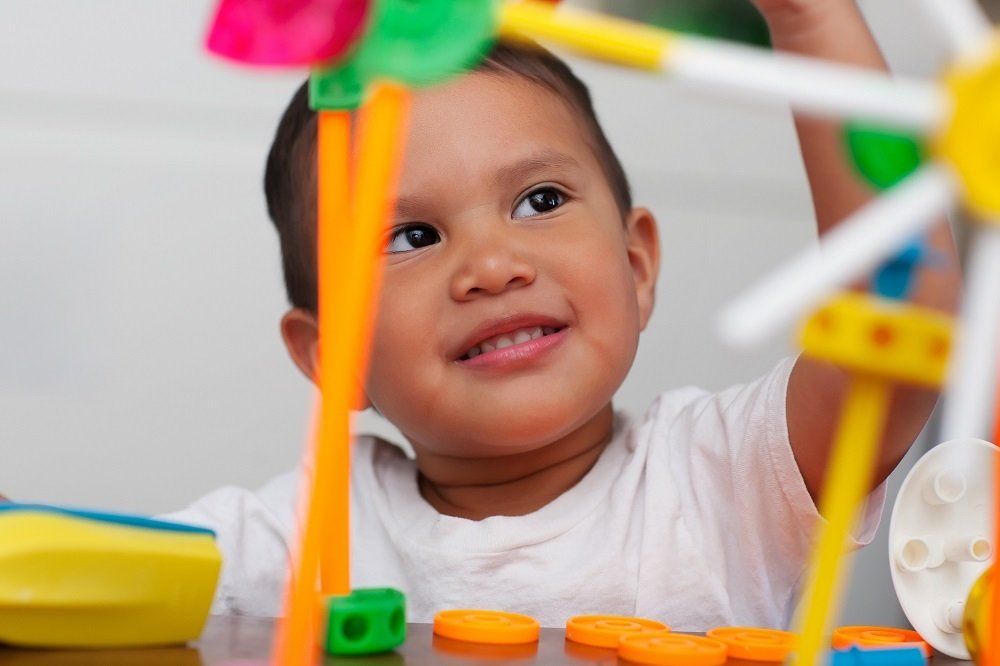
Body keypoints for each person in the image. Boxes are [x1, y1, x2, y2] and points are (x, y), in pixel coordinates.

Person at [166, 0, 959, 627]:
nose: (490, 267)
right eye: (411, 235)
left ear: (637, 265)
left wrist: (809, 16)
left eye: (540, 200)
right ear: (326, 353)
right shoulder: (300, 538)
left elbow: (901, 330)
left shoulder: (720, 480)